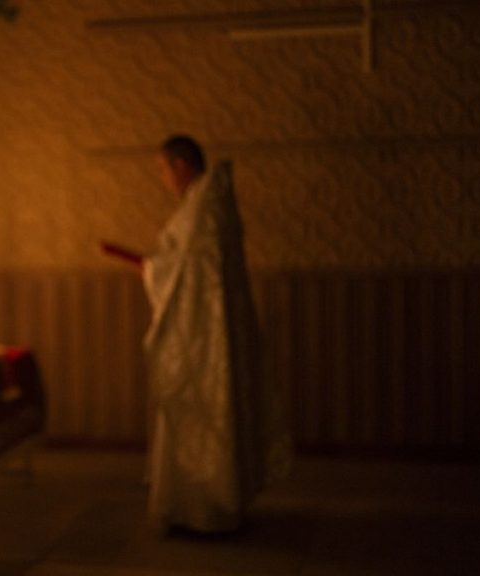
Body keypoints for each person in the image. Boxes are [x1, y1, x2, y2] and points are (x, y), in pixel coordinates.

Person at [102, 135, 287, 534]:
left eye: (163, 169)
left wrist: (149, 269)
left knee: (199, 412)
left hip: (202, 334)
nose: (163, 178)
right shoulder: (205, 204)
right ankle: (192, 507)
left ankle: (206, 509)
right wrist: (153, 268)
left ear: (181, 165)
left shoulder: (203, 207)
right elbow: (184, 266)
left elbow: (180, 270)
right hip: (204, 327)